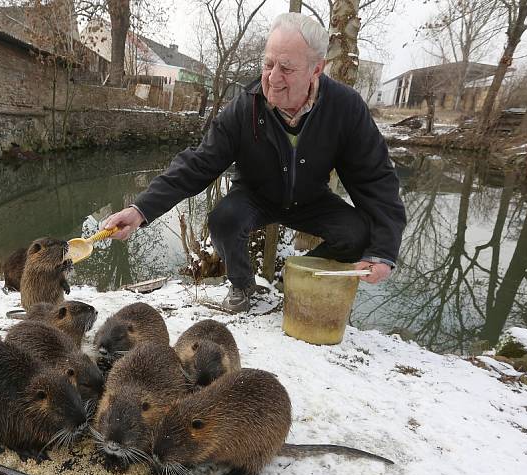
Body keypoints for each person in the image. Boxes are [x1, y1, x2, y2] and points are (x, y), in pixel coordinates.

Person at [102, 12, 406, 312]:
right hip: (255, 195)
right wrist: (140, 209)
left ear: (316, 69)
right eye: (268, 64)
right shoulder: (244, 107)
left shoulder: (346, 108)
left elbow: (375, 178)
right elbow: (198, 163)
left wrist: (383, 251)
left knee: (358, 233)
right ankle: (243, 284)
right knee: (223, 219)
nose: (273, 78)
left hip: (311, 199)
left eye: (286, 68)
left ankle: (298, 276)